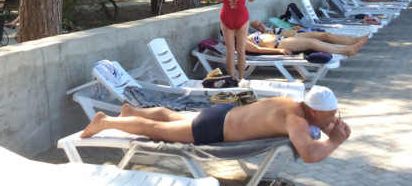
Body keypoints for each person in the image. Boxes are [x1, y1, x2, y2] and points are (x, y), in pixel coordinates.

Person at [81, 85, 351, 164]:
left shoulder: (294, 105)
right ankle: (106, 121)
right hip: (214, 128)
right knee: (157, 131)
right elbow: (309, 154)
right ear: (314, 110)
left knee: (171, 117)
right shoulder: (296, 121)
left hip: (222, 113)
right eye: (331, 115)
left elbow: (317, 123)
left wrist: (329, 127)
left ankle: (131, 111)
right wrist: (335, 140)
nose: (334, 118)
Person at [217, 0, 255, 80]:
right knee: (241, 50)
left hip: (226, 15)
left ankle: (232, 78)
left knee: (230, 50)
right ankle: (242, 79)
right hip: (241, 16)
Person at [245, 27, 366, 57]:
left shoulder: (245, 36)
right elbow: (258, 50)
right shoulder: (241, 42)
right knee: (312, 43)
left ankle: (347, 47)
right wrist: (279, 51)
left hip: (282, 39)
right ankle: (345, 51)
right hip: (279, 44)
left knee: (314, 41)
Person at [250, 20, 369, 46]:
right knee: (326, 36)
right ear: (256, 29)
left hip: (299, 33)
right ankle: (353, 41)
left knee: (327, 36)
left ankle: (353, 40)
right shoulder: (265, 35)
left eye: (260, 23)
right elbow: (280, 39)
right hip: (297, 37)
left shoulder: (270, 29)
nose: (261, 25)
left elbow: (287, 31)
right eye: (258, 26)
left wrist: (294, 28)